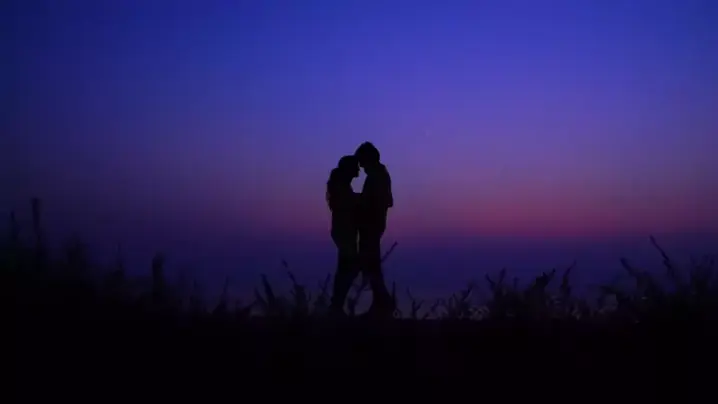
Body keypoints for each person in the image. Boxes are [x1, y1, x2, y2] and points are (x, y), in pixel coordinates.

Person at [354, 141, 394, 318]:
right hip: (372, 225)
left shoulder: (377, 176)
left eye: (362, 161)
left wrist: (359, 201)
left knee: (371, 265)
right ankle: (380, 304)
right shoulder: (379, 175)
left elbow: (384, 201)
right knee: (371, 265)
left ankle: (383, 303)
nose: (361, 166)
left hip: (372, 226)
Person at [326, 155, 361, 315]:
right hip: (344, 231)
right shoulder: (341, 187)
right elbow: (347, 204)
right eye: (356, 166)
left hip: (345, 231)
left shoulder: (342, 186)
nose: (358, 169)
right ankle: (336, 305)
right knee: (348, 268)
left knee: (346, 268)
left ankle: (337, 305)